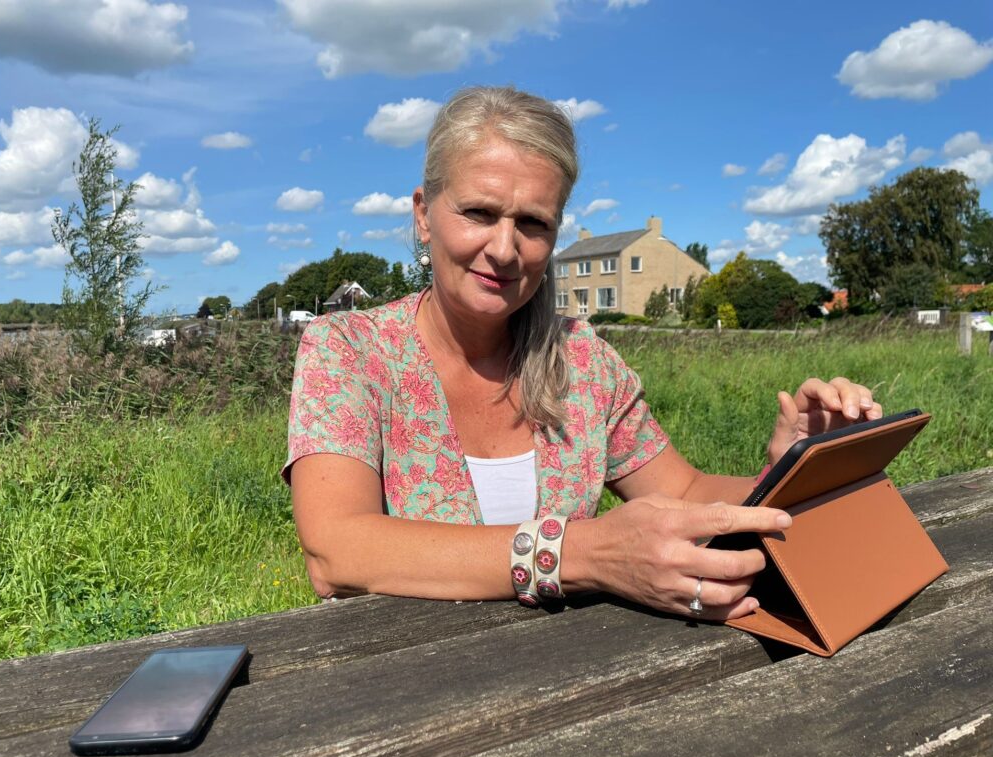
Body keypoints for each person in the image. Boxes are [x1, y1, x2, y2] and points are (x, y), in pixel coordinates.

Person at [284, 86, 881, 619]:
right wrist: (583, 554)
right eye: (479, 213)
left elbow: (686, 493)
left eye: (534, 223)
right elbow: (337, 549)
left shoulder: (581, 362)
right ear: (423, 215)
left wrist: (790, 473)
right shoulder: (350, 351)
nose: (504, 248)